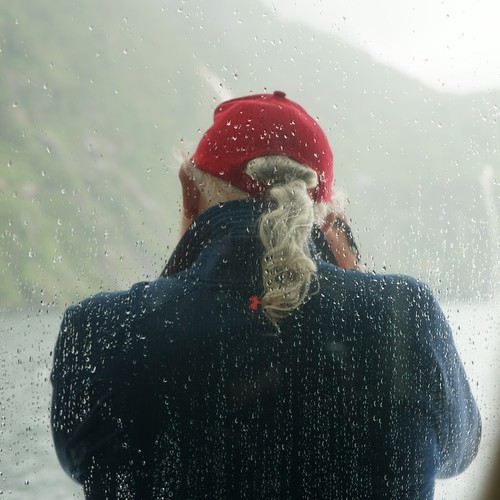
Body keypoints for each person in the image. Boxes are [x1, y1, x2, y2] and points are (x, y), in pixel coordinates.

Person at [51, 90, 481, 499]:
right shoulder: (402, 315)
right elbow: (463, 449)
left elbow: (85, 456)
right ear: (326, 213)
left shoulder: (99, 331)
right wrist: (359, 289)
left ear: (189, 192)